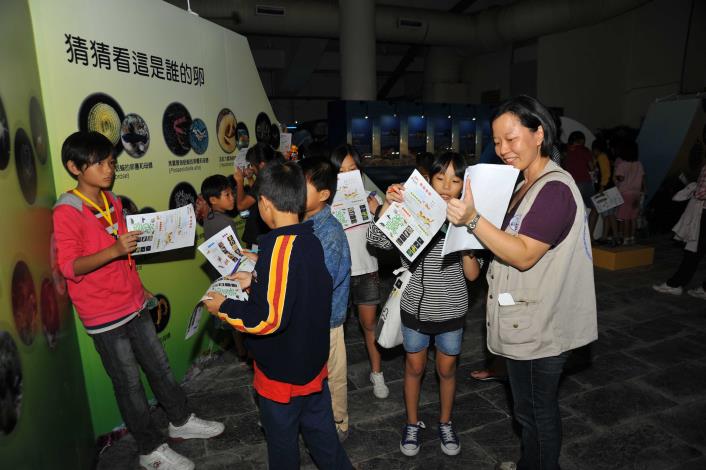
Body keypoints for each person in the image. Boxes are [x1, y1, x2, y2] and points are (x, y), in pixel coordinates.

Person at [53, 131, 224, 470]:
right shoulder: (67, 211)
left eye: (110, 162)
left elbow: (125, 255)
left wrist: (139, 286)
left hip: (133, 302)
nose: (108, 169)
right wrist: (114, 249)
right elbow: (70, 266)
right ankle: (150, 450)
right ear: (74, 167)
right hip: (104, 314)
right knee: (129, 385)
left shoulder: (111, 200)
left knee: (160, 367)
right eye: (99, 164)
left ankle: (180, 420)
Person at [447, 95, 598, 470]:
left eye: (511, 138)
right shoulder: (524, 183)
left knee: (536, 415)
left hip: (540, 328)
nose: (503, 150)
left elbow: (524, 254)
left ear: (539, 133)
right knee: (529, 411)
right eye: (497, 141)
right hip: (525, 321)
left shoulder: (554, 189)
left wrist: (472, 220)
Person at [202, 162, 352, 469]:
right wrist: (256, 275)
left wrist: (224, 307)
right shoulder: (309, 238)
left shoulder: (279, 248)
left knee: (283, 449)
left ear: (265, 204)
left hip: (282, 375)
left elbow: (267, 319)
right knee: (324, 441)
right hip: (312, 365)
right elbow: (297, 283)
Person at [368, 152, 481, 457]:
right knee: (414, 367)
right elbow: (376, 241)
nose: (446, 185)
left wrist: (466, 236)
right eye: (440, 178)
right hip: (415, 308)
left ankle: (445, 422)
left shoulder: (469, 218)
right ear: (428, 180)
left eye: (455, 180)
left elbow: (473, 275)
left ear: (464, 185)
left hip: (451, 309)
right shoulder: (413, 209)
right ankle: (411, 423)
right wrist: (389, 205)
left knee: (446, 370)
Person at [299, 157, 353, 442]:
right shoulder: (302, 222)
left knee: (333, 373)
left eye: (302, 186)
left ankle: (339, 421)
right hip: (308, 316)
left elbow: (323, 281)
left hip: (327, 319)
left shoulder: (329, 232)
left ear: (323, 195)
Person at [329, 144, 389, 399]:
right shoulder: (325, 201)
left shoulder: (372, 197)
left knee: (369, 325)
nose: (346, 176)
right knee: (334, 330)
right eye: (340, 171)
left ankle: (377, 373)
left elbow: (389, 235)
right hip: (337, 274)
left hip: (367, 270)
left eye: (352, 170)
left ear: (360, 171)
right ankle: (333, 378)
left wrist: (379, 211)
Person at [200, 174, 249, 360]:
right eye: (227, 195)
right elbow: (234, 253)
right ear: (213, 200)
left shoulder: (209, 218)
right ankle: (246, 351)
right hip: (232, 274)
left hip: (220, 274)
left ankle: (241, 351)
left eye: (231, 193)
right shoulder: (225, 222)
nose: (232, 198)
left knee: (232, 315)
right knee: (239, 314)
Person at [653, 160, 706, 299]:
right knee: (695, 251)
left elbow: (701, 193)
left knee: (693, 251)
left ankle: (675, 284)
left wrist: (692, 188)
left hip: (703, 213)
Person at [234, 142, 283, 250]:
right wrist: (250, 179)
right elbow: (257, 196)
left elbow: (241, 205)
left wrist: (239, 181)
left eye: (252, 164)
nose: (251, 168)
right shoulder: (276, 173)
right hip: (268, 233)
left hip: (258, 236)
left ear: (261, 165)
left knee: (256, 259)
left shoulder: (263, 179)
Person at [613, 141, 645, 245]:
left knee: (625, 217)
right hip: (636, 193)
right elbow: (642, 178)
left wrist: (617, 177)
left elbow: (620, 178)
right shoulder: (639, 164)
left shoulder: (622, 165)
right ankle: (632, 237)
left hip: (625, 193)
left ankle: (626, 238)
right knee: (633, 217)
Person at [591, 140, 619, 245]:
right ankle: (605, 236)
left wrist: (602, 188)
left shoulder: (602, 157)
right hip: (607, 189)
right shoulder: (602, 157)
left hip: (606, 190)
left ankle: (615, 237)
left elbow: (606, 174)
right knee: (606, 215)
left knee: (610, 215)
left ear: (596, 149)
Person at [562, 131, 595, 210]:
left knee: (576, 210)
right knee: (595, 207)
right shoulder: (584, 150)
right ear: (581, 140)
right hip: (585, 182)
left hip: (572, 184)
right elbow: (591, 167)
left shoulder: (565, 151)